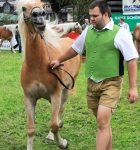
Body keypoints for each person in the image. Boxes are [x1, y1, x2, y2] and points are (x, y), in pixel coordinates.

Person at [49, 1, 139, 149]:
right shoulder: (88, 30)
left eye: (95, 16)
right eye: (90, 16)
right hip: (92, 83)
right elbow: (75, 49)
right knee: (103, 123)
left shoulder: (120, 33)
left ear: (105, 14)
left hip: (111, 83)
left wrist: (133, 87)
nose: (91, 19)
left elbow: (131, 60)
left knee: (102, 123)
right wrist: (58, 60)